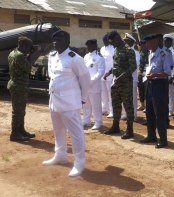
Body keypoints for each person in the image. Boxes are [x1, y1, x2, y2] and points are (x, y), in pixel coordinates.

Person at [43, 30, 91, 177]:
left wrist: (82, 98)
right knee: (58, 130)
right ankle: (61, 155)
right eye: (55, 40)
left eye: (60, 40)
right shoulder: (52, 56)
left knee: (76, 133)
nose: (56, 42)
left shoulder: (75, 58)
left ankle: (79, 163)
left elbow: (85, 80)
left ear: (68, 43)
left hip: (70, 102)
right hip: (54, 101)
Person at [139, 34, 172, 148]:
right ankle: (151, 135)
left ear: (154, 42)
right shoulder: (150, 53)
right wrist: (147, 74)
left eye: (147, 43)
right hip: (150, 84)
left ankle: (163, 139)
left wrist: (154, 75)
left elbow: (168, 72)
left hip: (160, 84)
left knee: (159, 113)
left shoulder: (164, 53)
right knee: (149, 111)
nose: (146, 45)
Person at [103, 31, 137, 140]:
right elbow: (117, 66)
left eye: (113, 42)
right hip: (116, 82)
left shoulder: (128, 50)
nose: (112, 45)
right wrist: (109, 72)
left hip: (125, 83)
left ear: (118, 39)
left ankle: (130, 130)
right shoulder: (116, 49)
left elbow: (133, 67)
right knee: (115, 104)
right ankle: (115, 126)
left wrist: (121, 77)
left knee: (128, 106)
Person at [7, 36, 36, 141]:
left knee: (21, 110)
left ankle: (21, 130)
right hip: (18, 85)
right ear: (23, 46)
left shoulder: (13, 53)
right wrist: (30, 57)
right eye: (28, 48)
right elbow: (29, 69)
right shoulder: (19, 56)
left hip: (18, 84)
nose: (29, 50)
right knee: (18, 111)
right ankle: (15, 134)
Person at [82, 39, 105, 130]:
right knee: (86, 104)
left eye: (91, 46)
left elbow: (100, 72)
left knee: (96, 105)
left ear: (95, 46)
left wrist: (90, 81)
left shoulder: (100, 57)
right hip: (85, 85)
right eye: (88, 46)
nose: (89, 48)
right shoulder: (86, 56)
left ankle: (98, 122)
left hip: (94, 85)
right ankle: (86, 120)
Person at [121, 33, 139, 122]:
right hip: (124, 78)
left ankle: (134, 115)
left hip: (132, 78)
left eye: (127, 41)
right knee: (125, 97)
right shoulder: (123, 51)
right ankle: (126, 113)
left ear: (132, 42)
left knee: (133, 97)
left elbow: (136, 64)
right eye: (124, 41)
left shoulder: (136, 52)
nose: (125, 43)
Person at [100, 33, 115, 118]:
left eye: (106, 41)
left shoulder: (113, 49)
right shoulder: (102, 49)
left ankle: (112, 111)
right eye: (103, 41)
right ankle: (104, 108)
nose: (104, 42)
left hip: (110, 74)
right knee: (103, 93)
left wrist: (110, 72)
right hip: (102, 74)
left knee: (111, 93)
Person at [163, 34, 174, 117]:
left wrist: (172, 76)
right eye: (164, 41)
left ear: (170, 42)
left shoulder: (173, 52)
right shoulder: (162, 50)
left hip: (170, 75)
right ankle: (165, 108)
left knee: (171, 94)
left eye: (166, 41)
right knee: (164, 93)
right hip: (163, 74)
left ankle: (171, 110)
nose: (165, 43)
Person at [138, 40, 149, 111]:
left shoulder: (149, 54)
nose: (141, 47)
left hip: (146, 74)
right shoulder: (139, 54)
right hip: (140, 74)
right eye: (140, 46)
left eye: (142, 45)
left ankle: (147, 105)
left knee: (146, 90)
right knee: (140, 89)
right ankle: (142, 104)